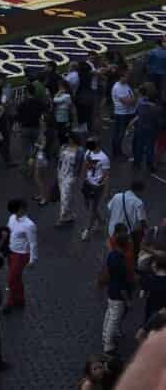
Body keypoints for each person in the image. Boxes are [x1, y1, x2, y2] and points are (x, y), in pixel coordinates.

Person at [104, 223, 135, 354]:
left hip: (111, 290)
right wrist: (127, 299)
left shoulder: (111, 255)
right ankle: (108, 344)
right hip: (118, 293)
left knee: (110, 314)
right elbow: (122, 283)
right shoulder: (120, 260)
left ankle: (106, 334)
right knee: (114, 317)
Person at [4, 198, 37, 313]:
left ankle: (9, 302)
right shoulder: (12, 218)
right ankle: (20, 299)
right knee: (16, 278)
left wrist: (32, 259)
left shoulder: (29, 225)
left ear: (22, 210)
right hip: (11, 252)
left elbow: (33, 243)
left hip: (21, 255)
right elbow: (8, 232)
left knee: (11, 279)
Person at [82, 137, 113, 241]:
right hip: (87, 184)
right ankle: (100, 221)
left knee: (91, 208)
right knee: (88, 207)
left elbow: (106, 175)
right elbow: (86, 167)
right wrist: (84, 179)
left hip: (97, 187)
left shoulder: (104, 158)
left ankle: (87, 230)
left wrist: (106, 191)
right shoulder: (87, 153)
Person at [109, 180, 149, 259]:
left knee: (113, 253)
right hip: (125, 236)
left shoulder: (117, 196)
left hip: (112, 232)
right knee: (126, 256)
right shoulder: (138, 203)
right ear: (139, 191)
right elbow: (142, 222)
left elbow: (110, 208)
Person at [57, 131, 85, 227]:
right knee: (67, 195)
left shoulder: (80, 150)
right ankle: (69, 214)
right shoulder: (63, 147)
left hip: (71, 175)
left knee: (65, 196)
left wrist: (77, 176)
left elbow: (81, 164)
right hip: (61, 174)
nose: (68, 140)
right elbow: (59, 160)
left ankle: (62, 217)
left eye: (69, 138)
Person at [133, 90, 163, 174]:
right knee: (150, 147)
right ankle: (149, 164)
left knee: (139, 146)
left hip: (140, 128)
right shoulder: (157, 109)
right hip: (151, 130)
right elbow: (158, 121)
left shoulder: (141, 106)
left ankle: (137, 163)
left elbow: (136, 114)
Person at [112, 70, 138, 161]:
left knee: (122, 133)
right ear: (121, 77)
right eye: (126, 76)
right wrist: (133, 99)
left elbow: (133, 96)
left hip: (128, 112)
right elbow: (127, 101)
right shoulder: (118, 87)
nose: (128, 78)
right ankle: (117, 153)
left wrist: (133, 99)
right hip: (122, 114)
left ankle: (119, 152)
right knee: (120, 134)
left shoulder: (126, 85)